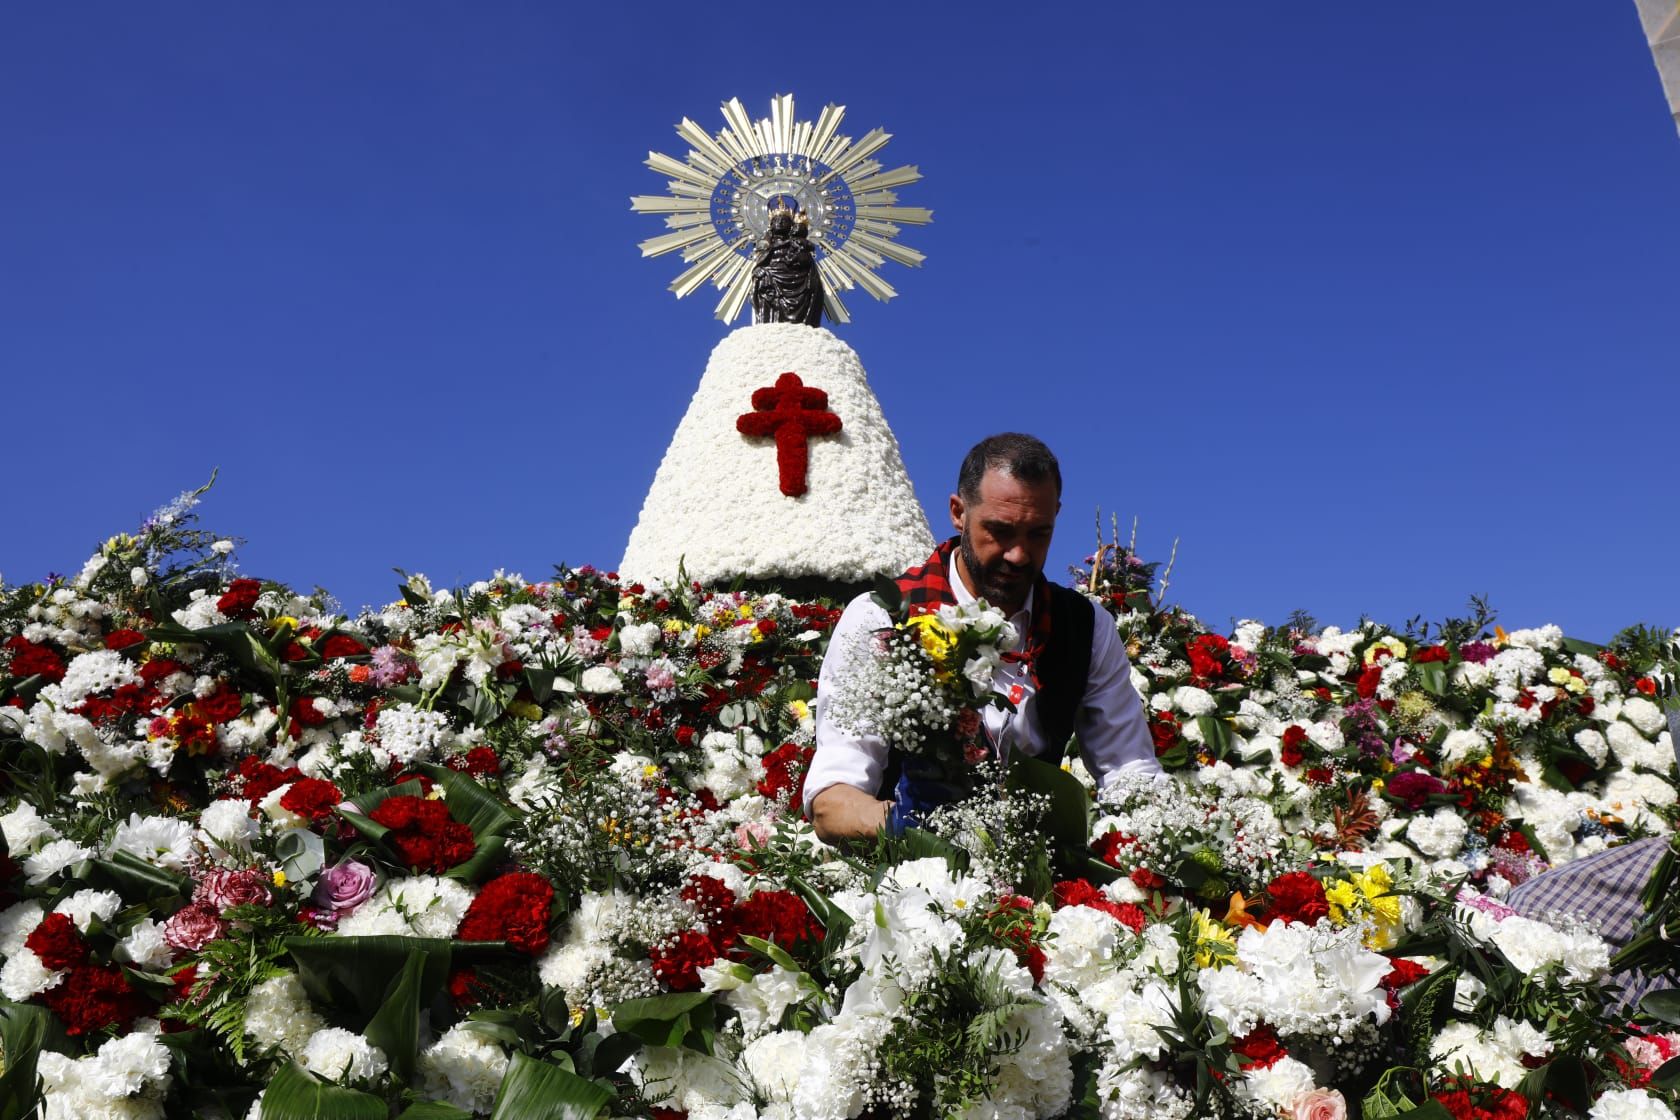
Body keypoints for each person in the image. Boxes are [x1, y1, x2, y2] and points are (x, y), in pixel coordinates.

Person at [804, 433, 1163, 843]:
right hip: (905, 869)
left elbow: (1130, 770)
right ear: (958, 513)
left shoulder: (1086, 626)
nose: (1018, 555)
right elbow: (832, 799)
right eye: (1000, 531)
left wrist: (1159, 839)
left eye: (1038, 534)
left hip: (1036, 867)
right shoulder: (880, 618)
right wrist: (910, 826)